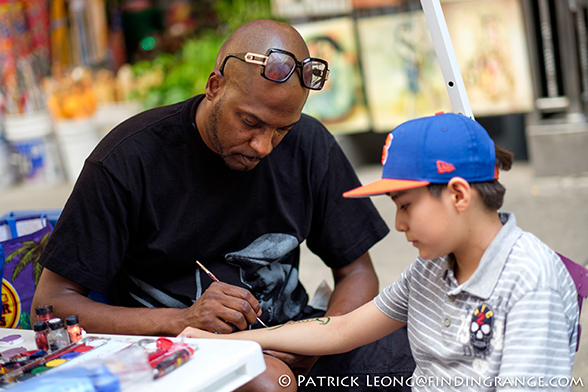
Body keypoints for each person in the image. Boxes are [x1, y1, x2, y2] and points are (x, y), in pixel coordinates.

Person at [32, 19, 414, 391]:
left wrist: (319, 339)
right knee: (268, 380)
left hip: (296, 337)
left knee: (426, 356)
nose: (263, 146)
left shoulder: (309, 143)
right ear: (215, 86)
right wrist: (180, 318)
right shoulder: (129, 159)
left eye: (282, 130)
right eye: (250, 122)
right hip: (178, 347)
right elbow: (50, 304)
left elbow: (357, 273)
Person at [181, 113, 580, 391]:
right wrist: (223, 342)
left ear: (458, 193)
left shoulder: (530, 282)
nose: (399, 224)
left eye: (405, 206)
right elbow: (341, 328)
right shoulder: (431, 269)